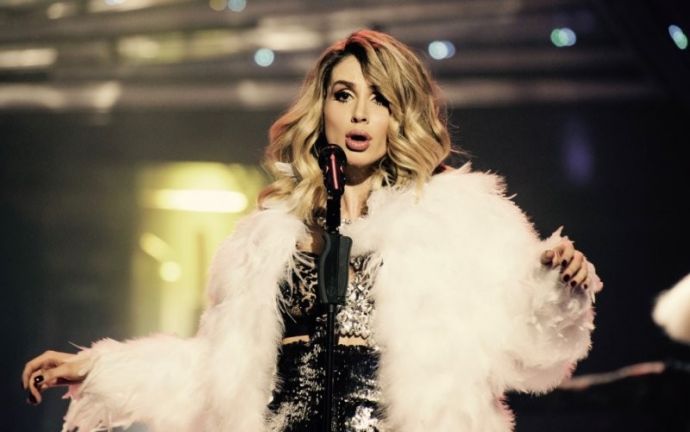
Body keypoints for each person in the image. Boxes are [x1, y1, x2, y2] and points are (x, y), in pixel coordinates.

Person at [22, 29, 603, 432]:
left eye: (379, 100)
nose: (359, 114)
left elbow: (532, 355)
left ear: (400, 115)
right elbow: (216, 373)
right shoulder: (263, 241)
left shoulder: (458, 218)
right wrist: (100, 368)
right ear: (321, 110)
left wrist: (560, 288)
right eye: (344, 95)